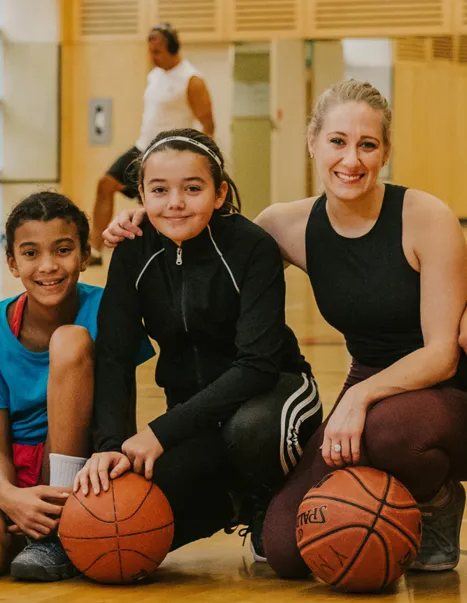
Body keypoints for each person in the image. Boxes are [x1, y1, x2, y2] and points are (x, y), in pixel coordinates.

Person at [103, 80, 467, 577]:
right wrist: (149, 213)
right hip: (373, 382)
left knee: (386, 434)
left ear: (384, 152)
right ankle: (256, 502)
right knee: (287, 548)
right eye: (338, 141)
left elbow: (442, 353)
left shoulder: (426, 216)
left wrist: (358, 399)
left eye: (368, 144)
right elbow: (211, 237)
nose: (351, 159)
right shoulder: (282, 225)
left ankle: (438, 497)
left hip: (443, 386)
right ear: (313, 143)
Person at [75, 129, 322, 561]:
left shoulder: (251, 248)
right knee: (128, 518)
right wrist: (110, 445)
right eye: (159, 190)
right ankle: (232, 501)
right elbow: (114, 357)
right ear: (141, 195)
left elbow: (256, 365)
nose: (175, 202)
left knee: (250, 433)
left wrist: (159, 432)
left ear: (220, 192)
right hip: (196, 412)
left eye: (192, 188)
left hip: (273, 397)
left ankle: (270, 490)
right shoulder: (132, 252)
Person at [0, 192, 153, 582]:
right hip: (11, 463)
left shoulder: (110, 309)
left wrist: (143, 217)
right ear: (13, 262)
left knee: (70, 339)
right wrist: (12, 497)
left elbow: (122, 413)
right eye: (31, 253)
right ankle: (31, 527)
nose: (48, 266)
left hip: (82, 460)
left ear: (84, 255)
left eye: (63, 250)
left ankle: (57, 534)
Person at [89, 23, 214, 265]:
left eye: (157, 51)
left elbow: (208, 123)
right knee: (105, 184)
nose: (152, 57)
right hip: (142, 147)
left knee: (153, 204)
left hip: (168, 154)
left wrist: (199, 158)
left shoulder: (191, 80)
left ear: (172, 49)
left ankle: (168, 254)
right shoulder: (155, 75)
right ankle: (95, 250)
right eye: (150, 51)